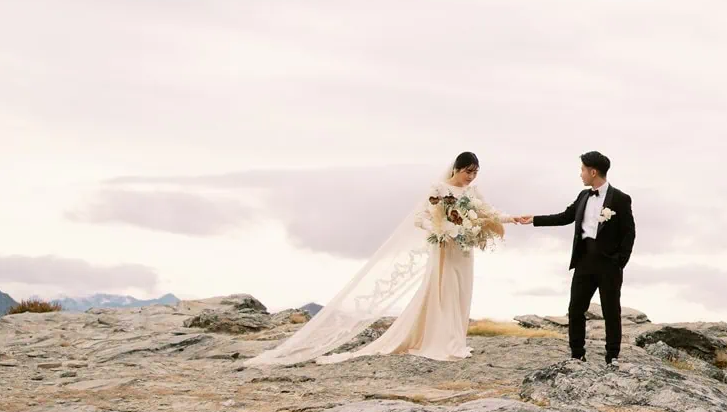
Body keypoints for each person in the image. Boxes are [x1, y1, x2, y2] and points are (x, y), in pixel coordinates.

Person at [245, 152, 505, 367]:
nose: (471, 177)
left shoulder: (473, 194)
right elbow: (421, 218)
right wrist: (441, 229)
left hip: (464, 252)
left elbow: (488, 214)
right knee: (445, 290)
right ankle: (443, 341)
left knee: (462, 292)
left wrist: (512, 219)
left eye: (475, 172)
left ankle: (455, 340)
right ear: (456, 169)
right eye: (467, 171)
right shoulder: (439, 189)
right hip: (445, 249)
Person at [510, 150, 635, 364]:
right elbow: (565, 216)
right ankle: (577, 354)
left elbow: (629, 233)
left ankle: (612, 356)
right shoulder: (583, 196)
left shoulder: (621, 199)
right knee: (575, 309)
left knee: (611, 310)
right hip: (584, 261)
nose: (581, 174)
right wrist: (534, 219)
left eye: (583, 170)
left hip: (609, 265)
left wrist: (619, 262)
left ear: (593, 172)